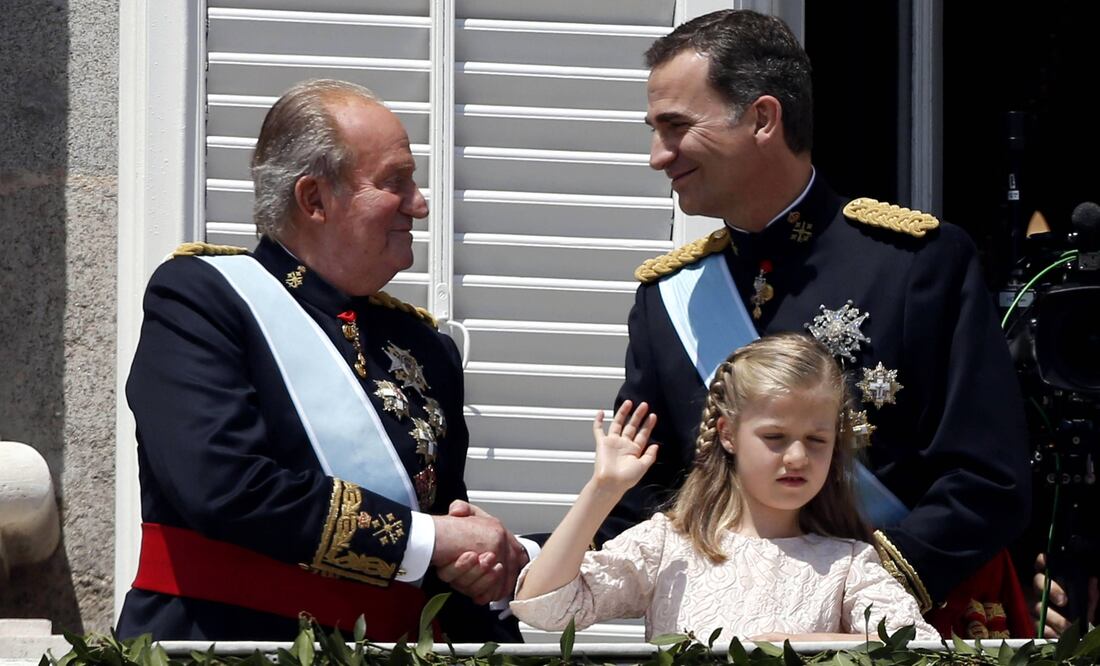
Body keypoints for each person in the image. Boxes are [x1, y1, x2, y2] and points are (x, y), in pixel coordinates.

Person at [603, 9, 1033, 638]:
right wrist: (525, 558)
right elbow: (648, 499)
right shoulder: (671, 299)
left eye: (676, 128)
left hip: (905, 630)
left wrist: (851, 589)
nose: (656, 156)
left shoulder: (915, 266)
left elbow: (988, 481)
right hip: (735, 640)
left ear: (762, 119)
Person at [117, 79, 532, 642]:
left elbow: (442, 524)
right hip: (228, 643)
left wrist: (476, 568)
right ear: (314, 199)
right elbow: (223, 487)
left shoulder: (425, 346)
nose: (421, 204)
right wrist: (434, 542)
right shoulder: (203, 298)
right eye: (396, 182)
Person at [511, 334, 939, 641]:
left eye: (817, 440)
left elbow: (917, 650)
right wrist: (602, 491)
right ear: (728, 434)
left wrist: (796, 646)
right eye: (775, 438)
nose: (796, 457)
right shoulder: (669, 546)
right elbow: (546, 607)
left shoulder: (848, 563)